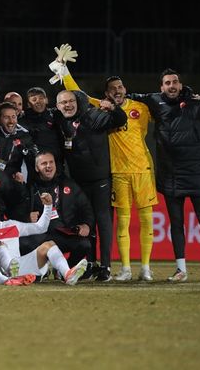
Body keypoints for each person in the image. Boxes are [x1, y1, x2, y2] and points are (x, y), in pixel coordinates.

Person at [57, 54, 158, 281]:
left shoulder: (140, 107)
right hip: (117, 173)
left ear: (125, 88)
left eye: (120, 86)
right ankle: (121, 268)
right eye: (112, 88)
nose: (117, 90)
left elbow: (164, 111)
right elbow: (76, 94)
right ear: (106, 94)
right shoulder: (92, 109)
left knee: (142, 219)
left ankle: (145, 267)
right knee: (113, 221)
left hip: (140, 171)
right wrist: (63, 71)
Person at [129, 67, 200, 282]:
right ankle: (181, 269)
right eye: (167, 83)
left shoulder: (196, 103)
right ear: (161, 87)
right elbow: (128, 98)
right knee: (176, 223)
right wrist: (113, 98)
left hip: (196, 172)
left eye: (175, 82)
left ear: (180, 85)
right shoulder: (154, 101)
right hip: (171, 174)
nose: (171, 86)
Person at [54, 89, 127, 281]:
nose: (67, 105)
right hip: (78, 183)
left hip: (100, 180)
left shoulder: (93, 115)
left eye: (71, 101)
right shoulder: (60, 121)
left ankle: (106, 267)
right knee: (86, 223)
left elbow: (120, 120)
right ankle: (90, 264)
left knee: (103, 222)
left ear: (77, 102)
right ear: (58, 106)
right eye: (63, 103)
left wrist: (113, 108)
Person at [0, 194, 88, 285]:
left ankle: (68, 275)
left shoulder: (10, 225)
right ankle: (11, 274)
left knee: (49, 245)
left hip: (17, 266)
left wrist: (48, 206)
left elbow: (40, 228)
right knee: (0, 245)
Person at [22, 152, 94, 270]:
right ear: (36, 168)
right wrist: (27, 217)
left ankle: (66, 268)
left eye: (51, 162)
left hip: (63, 234)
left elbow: (86, 208)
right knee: (23, 243)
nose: (48, 166)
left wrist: (86, 224)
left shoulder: (69, 184)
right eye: (44, 163)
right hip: (40, 236)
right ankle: (36, 269)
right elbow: (16, 212)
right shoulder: (29, 188)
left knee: (84, 244)